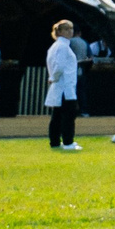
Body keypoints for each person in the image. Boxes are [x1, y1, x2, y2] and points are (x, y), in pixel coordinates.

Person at [42, 20, 84, 151]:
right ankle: (68, 142)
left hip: (62, 86)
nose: (69, 32)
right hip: (65, 87)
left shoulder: (56, 46)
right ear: (59, 32)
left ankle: (55, 141)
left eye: (71, 29)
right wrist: (53, 77)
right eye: (66, 29)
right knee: (68, 115)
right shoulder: (62, 46)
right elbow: (59, 66)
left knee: (58, 115)